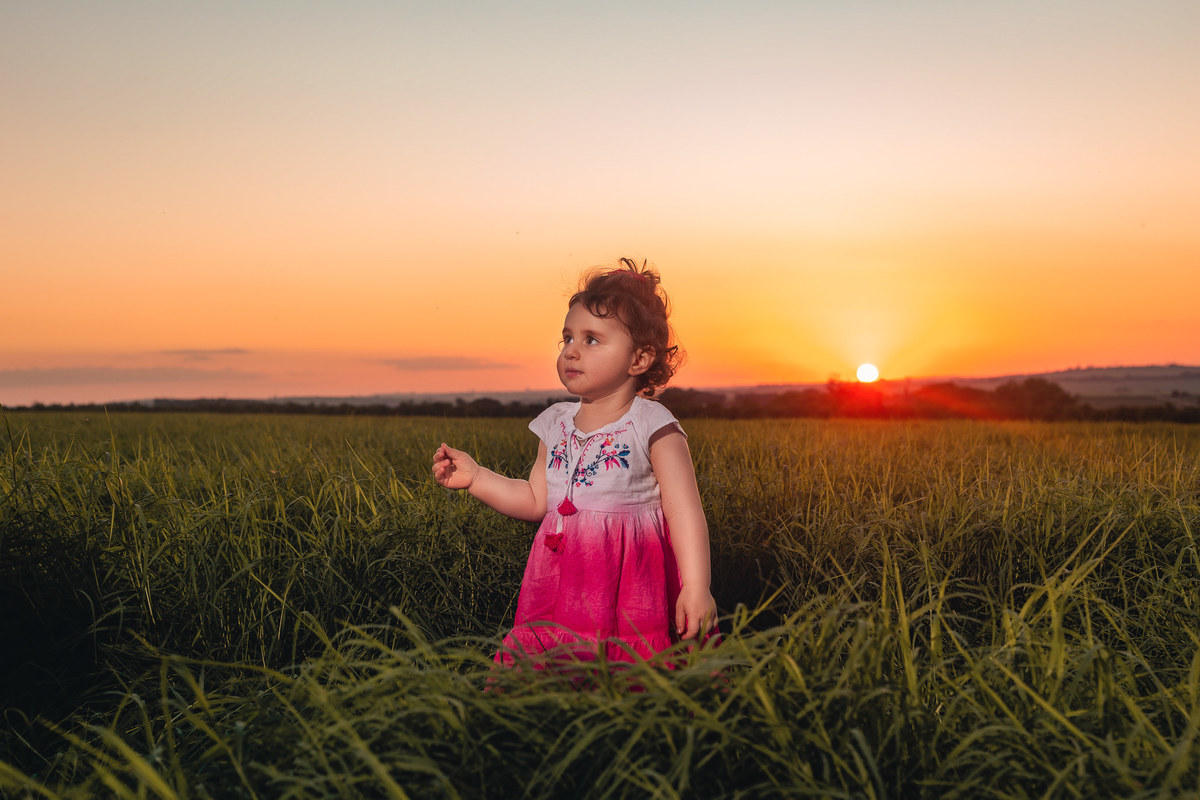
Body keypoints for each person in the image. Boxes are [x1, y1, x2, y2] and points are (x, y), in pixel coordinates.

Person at [432, 258, 717, 664]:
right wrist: (477, 478)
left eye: (592, 340)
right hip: (560, 584)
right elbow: (536, 500)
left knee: (626, 670)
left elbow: (686, 514)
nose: (572, 351)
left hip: (628, 584)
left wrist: (696, 586)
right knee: (557, 669)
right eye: (567, 338)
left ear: (639, 359)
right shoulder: (556, 423)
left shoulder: (651, 424)